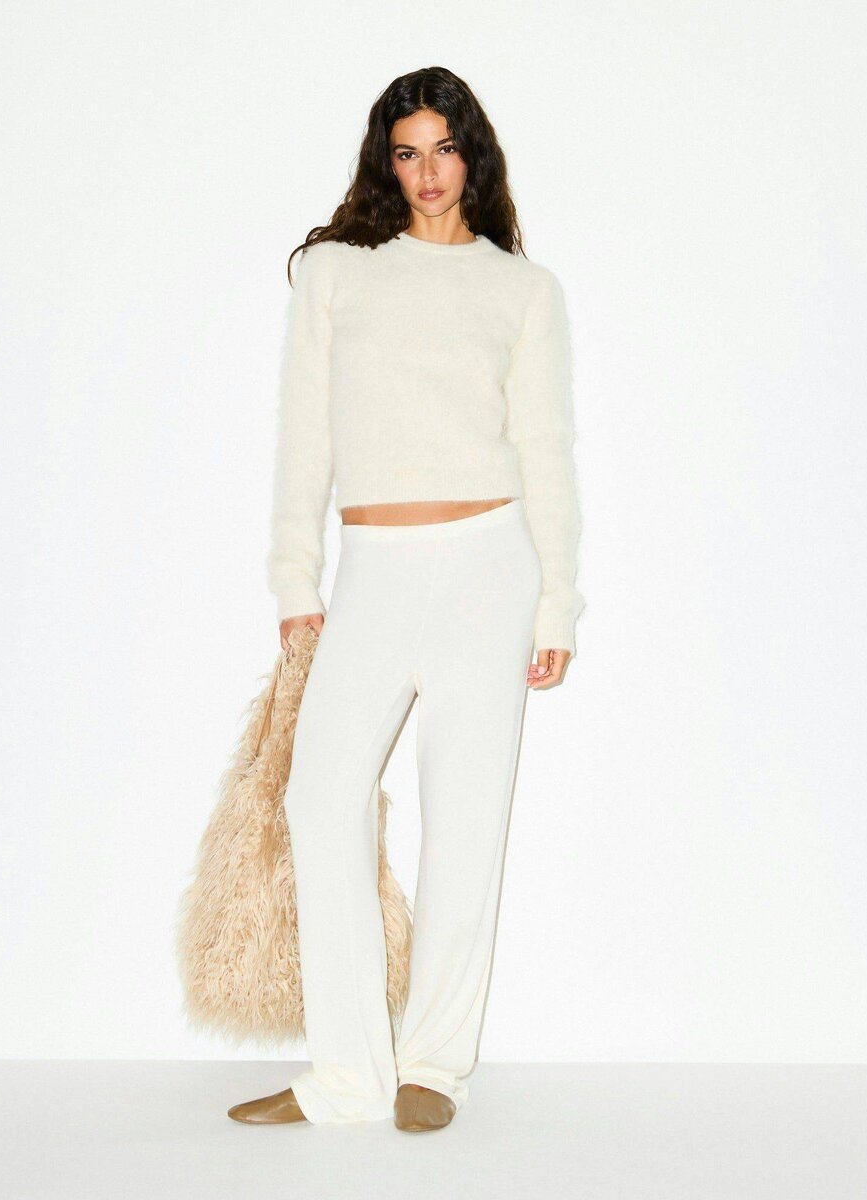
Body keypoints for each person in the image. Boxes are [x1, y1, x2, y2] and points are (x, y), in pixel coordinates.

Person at [228, 66, 584, 1132]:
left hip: (489, 569)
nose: (428, 173)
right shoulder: (338, 275)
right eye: (407, 152)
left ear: (473, 156)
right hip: (375, 570)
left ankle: (434, 1063)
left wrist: (558, 603)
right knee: (318, 799)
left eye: (444, 148)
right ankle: (347, 1074)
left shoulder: (522, 292)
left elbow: (547, 453)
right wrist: (295, 580)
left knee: (466, 820)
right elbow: (304, 435)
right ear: (387, 164)